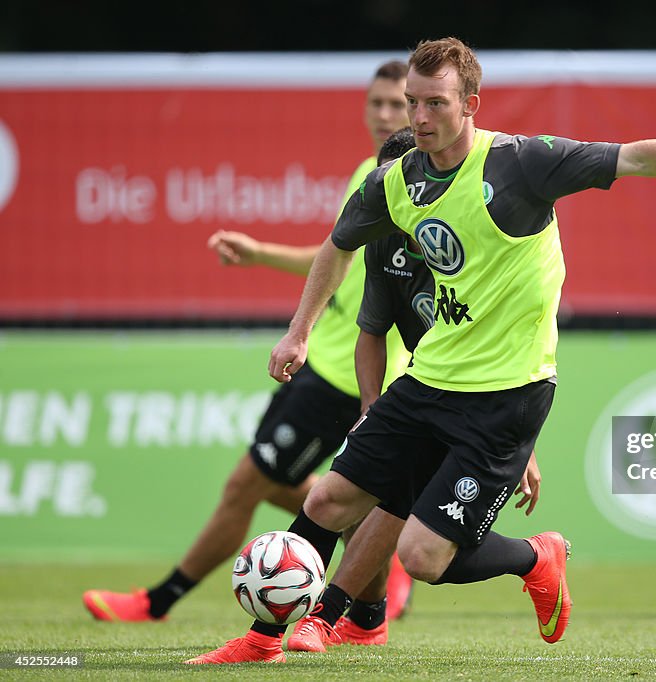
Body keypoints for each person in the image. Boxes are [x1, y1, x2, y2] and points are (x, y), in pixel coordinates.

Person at [185, 36, 656, 664]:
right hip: (429, 381)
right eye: (412, 103)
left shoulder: (521, 164)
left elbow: (638, 158)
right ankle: (265, 640)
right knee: (327, 500)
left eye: (435, 104)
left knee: (422, 558)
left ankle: (538, 555)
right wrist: (300, 330)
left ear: (471, 104)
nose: (418, 118)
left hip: (507, 396)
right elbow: (338, 244)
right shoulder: (396, 180)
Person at [83, 61, 417, 633]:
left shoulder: (416, 180)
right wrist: (262, 254)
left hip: (352, 374)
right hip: (332, 364)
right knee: (307, 491)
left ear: (420, 109)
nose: (385, 115)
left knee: (248, 484)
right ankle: (373, 568)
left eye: (398, 104)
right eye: (376, 103)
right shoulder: (373, 170)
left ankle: (158, 602)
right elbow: (334, 254)